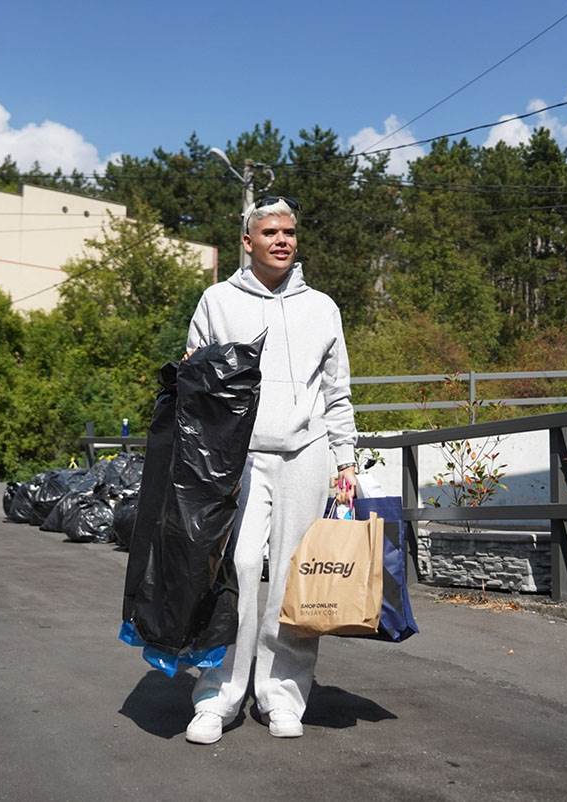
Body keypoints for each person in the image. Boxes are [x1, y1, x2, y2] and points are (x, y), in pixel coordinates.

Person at [183, 196, 357, 744]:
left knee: (292, 578)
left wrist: (346, 459)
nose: (282, 240)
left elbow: (337, 392)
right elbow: (196, 383)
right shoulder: (217, 301)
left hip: (307, 453)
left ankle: (281, 694)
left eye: (289, 233)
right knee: (232, 568)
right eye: (270, 232)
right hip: (239, 457)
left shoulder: (322, 308)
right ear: (248, 241)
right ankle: (217, 696)